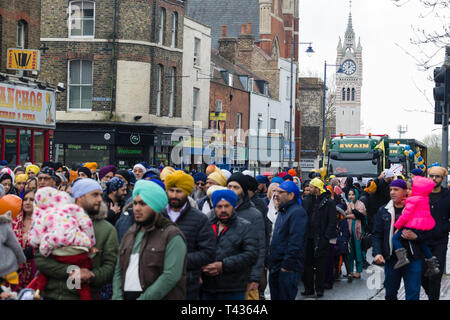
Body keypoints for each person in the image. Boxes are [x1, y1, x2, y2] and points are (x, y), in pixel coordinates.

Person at [34, 178, 119, 300]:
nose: (100, 199)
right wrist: (72, 271)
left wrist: (91, 275)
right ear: (79, 197)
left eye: (100, 195)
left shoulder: (107, 230)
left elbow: (110, 267)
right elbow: (40, 259)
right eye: (95, 195)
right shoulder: (54, 220)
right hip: (50, 295)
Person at [112, 180, 187, 300]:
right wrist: (117, 296)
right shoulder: (130, 233)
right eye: (135, 203)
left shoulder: (172, 235)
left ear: (155, 206)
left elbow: (171, 276)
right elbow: (118, 269)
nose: (136, 208)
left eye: (143, 204)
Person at [27, 187, 96, 300]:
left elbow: (36, 237)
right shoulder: (73, 209)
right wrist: (89, 242)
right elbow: (86, 223)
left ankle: (38, 291)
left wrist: (43, 248)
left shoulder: (43, 214)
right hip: (78, 251)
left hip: (55, 251)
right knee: (81, 285)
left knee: (42, 276)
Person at [372, 179, 430, 300]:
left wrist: (416, 236)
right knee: (390, 293)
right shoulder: (383, 210)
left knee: (413, 293)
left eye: (396, 190)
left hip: (413, 258)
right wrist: (377, 253)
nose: (392, 192)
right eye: (391, 190)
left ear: (405, 191)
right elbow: (377, 234)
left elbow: (427, 231)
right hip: (392, 259)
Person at [161, 170, 216, 300]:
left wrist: (179, 259)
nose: (174, 195)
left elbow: (208, 253)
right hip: (158, 284)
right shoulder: (158, 216)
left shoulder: (199, 219)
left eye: (179, 191)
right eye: (171, 190)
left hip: (187, 286)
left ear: (186, 192)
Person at [201, 189, 258, 300]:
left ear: (233, 206)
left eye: (227, 206)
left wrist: (223, 265)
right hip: (207, 288)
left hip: (233, 288)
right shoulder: (206, 226)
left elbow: (251, 255)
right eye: (219, 206)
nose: (223, 210)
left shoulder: (245, 227)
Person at [267, 181, 307, 300]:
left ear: (291, 195)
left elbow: (295, 242)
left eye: (280, 192)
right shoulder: (283, 211)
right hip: (276, 265)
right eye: (275, 191)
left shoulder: (297, 212)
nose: (276, 194)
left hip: (287, 268)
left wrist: (286, 266)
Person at [391, 177, 439, 276]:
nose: (407, 191)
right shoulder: (424, 197)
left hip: (414, 224)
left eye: (409, 189)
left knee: (395, 238)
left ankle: (402, 258)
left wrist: (397, 226)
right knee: (422, 244)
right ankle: (433, 265)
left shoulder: (412, 200)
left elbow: (405, 216)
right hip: (423, 224)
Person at [301, 177, 337, 298]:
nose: (308, 189)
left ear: (317, 188)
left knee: (321, 265)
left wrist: (326, 237)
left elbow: (332, 221)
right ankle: (309, 288)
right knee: (307, 264)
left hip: (321, 238)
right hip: (308, 237)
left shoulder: (329, 202)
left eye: (311, 187)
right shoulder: (307, 200)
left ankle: (319, 288)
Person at [421, 166, 450, 300]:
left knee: (436, 276)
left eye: (437, 176)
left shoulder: (447, 195)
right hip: (422, 240)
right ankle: (431, 295)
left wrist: (444, 228)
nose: (433, 178)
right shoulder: (422, 195)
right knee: (422, 274)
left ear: (442, 178)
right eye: (431, 176)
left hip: (440, 241)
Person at [11, 190, 37, 291]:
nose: (27, 202)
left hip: (34, 269)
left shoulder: (41, 222)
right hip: (14, 269)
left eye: (31, 200)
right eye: (25, 199)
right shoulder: (14, 221)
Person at [344, 188, 367, 280]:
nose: (351, 196)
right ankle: (350, 271)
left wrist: (351, 211)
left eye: (353, 194)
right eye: (349, 195)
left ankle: (358, 271)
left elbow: (359, 215)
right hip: (349, 231)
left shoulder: (361, 204)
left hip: (358, 231)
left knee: (358, 251)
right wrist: (351, 215)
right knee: (350, 251)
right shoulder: (346, 204)